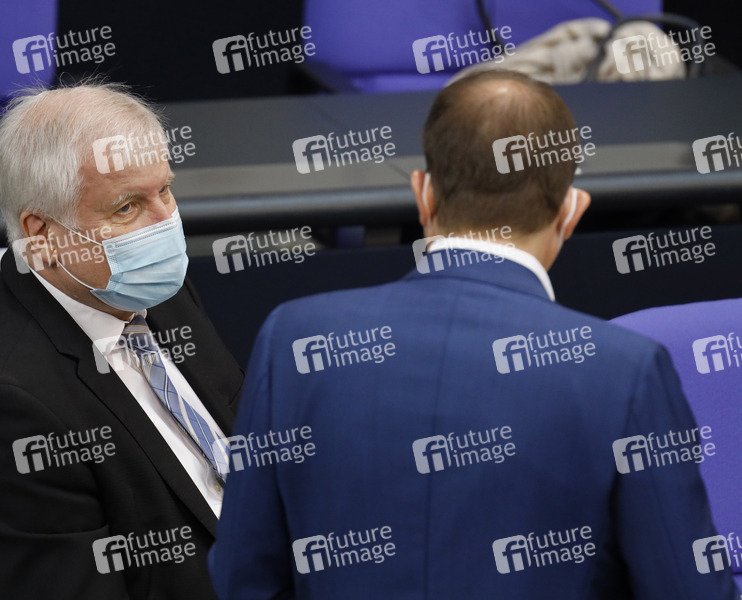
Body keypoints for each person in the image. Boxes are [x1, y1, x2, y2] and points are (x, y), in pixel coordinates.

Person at [209, 70, 739, 599]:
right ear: (571, 211)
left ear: (424, 194)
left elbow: (241, 577)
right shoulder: (627, 371)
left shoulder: (293, 341)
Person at [0, 83, 243, 599]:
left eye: (165, 190)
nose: (166, 223)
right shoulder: (3, 409)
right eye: (126, 208)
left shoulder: (155, 291)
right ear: (42, 235)